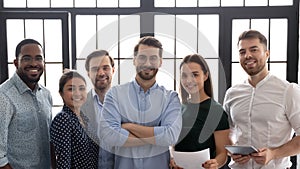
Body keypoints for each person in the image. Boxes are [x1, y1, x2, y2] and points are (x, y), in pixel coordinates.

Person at [99, 36, 182, 169]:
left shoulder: (171, 98)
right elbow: (108, 135)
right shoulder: (115, 95)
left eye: (153, 58)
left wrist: (129, 127)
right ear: (134, 60)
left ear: (160, 62)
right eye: (142, 57)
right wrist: (155, 139)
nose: (147, 63)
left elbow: (170, 136)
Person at [223, 30, 300, 169]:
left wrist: (273, 154)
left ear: (267, 54)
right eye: (242, 52)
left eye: (254, 50)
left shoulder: (288, 90)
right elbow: (226, 133)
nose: (247, 55)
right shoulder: (232, 94)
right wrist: (232, 151)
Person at [170, 54, 230, 169]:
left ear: (205, 75)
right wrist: (172, 158)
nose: (188, 81)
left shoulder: (216, 111)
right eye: (184, 76)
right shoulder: (179, 109)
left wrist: (215, 163)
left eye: (195, 75)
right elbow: (174, 144)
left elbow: (222, 153)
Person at [0, 39, 52, 169]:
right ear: (16, 63)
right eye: (27, 59)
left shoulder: (46, 94)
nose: (34, 63)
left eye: (38, 58)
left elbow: (50, 140)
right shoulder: (4, 96)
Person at [50, 71, 99, 168]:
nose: (77, 93)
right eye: (71, 89)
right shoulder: (63, 119)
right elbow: (63, 163)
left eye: (82, 88)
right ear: (61, 93)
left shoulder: (85, 118)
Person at [81, 50, 115, 168]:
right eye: (95, 69)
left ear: (113, 70)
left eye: (105, 68)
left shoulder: (126, 103)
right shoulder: (79, 106)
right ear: (88, 73)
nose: (101, 73)